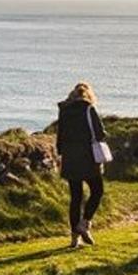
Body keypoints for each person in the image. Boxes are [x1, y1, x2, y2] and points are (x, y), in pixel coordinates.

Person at [56, 82, 108, 248]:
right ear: (88, 95)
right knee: (97, 190)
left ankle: (74, 238)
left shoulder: (64, 111)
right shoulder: (88, 109)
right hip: (88, 157)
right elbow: (100, 133)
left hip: (70, 158)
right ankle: (85, 223)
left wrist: (61, 153)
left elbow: (60, 135)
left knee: (75, 197)